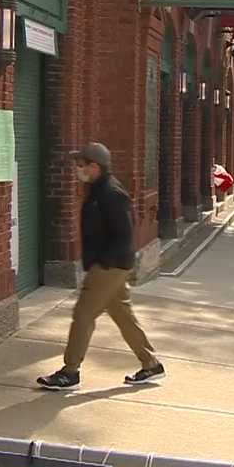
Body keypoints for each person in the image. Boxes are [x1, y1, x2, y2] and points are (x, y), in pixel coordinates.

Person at [38, 142, 165, 390]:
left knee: (83, 315)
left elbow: (124, 234)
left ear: (95, 166)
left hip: (110, 266)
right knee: (123, 316)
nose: (77, 169)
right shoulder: (97, 190)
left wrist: (104, 263)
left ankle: (70, 372)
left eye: (81, 164)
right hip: (110, 265)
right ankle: (150, 364)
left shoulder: (111, 193)